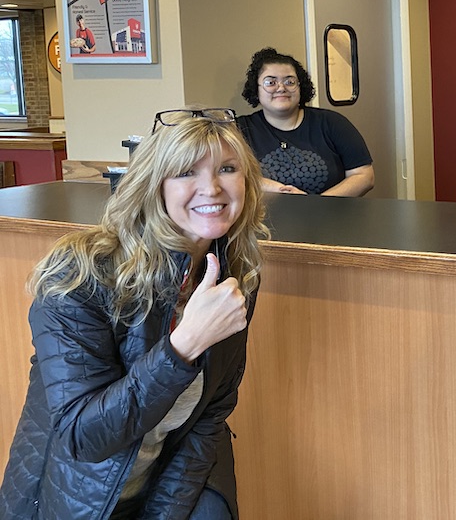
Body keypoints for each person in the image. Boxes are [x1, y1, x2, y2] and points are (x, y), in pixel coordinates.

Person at [0, 108, 269, 519]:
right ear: (153, 186)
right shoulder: (81, 273)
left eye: (227, 168)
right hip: (76, 496)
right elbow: (83, 438)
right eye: (185, 173)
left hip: (162, 481)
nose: (211, 187)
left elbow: (208, 417)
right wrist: (184, 346)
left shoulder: (233, 277)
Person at [237, 47, 374, 196]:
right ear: (256, 90)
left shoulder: (332, 123)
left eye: (290, 81)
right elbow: (231, 177)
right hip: (265, 218)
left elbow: (364, 176)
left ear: (300, 86)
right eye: (271, 82)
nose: (281, 88)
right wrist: (280, 190)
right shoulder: (240, 130)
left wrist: (317, 205)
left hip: (329, 215)